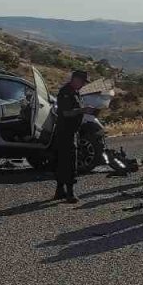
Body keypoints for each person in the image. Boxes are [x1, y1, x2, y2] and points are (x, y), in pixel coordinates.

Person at [52, 70, 94, 203]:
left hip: (70, 131)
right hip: (65, 132)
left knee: (63, 161)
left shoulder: (75, 93)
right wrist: (83, 110)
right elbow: (66, 113)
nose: (82, 85)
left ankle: (60, 191)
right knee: (69, 162)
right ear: (75, 79)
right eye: (82, 82)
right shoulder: (66, 92)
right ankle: (69, 193)